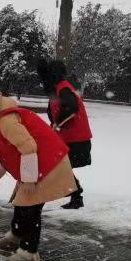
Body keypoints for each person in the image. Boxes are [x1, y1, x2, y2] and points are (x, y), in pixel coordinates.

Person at [0, 89, 77, 261]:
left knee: (30, 207)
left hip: (50, 163)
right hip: (37, 163)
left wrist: (28, 180)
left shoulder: (5, 120)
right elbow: (8, 151)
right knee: (22, 203)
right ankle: (16, 235)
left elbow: (28, 147)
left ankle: (29, 252)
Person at [37, 59, 93, 209]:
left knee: (56, 167)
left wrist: (58, 123)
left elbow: (71, 108)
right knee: (57, 167)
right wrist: (54, 125)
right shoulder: (57, 89)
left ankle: (72, 196)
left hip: (76, 139)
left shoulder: (63, 88)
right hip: (67, 138)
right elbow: (55, 111)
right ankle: (75, 197)